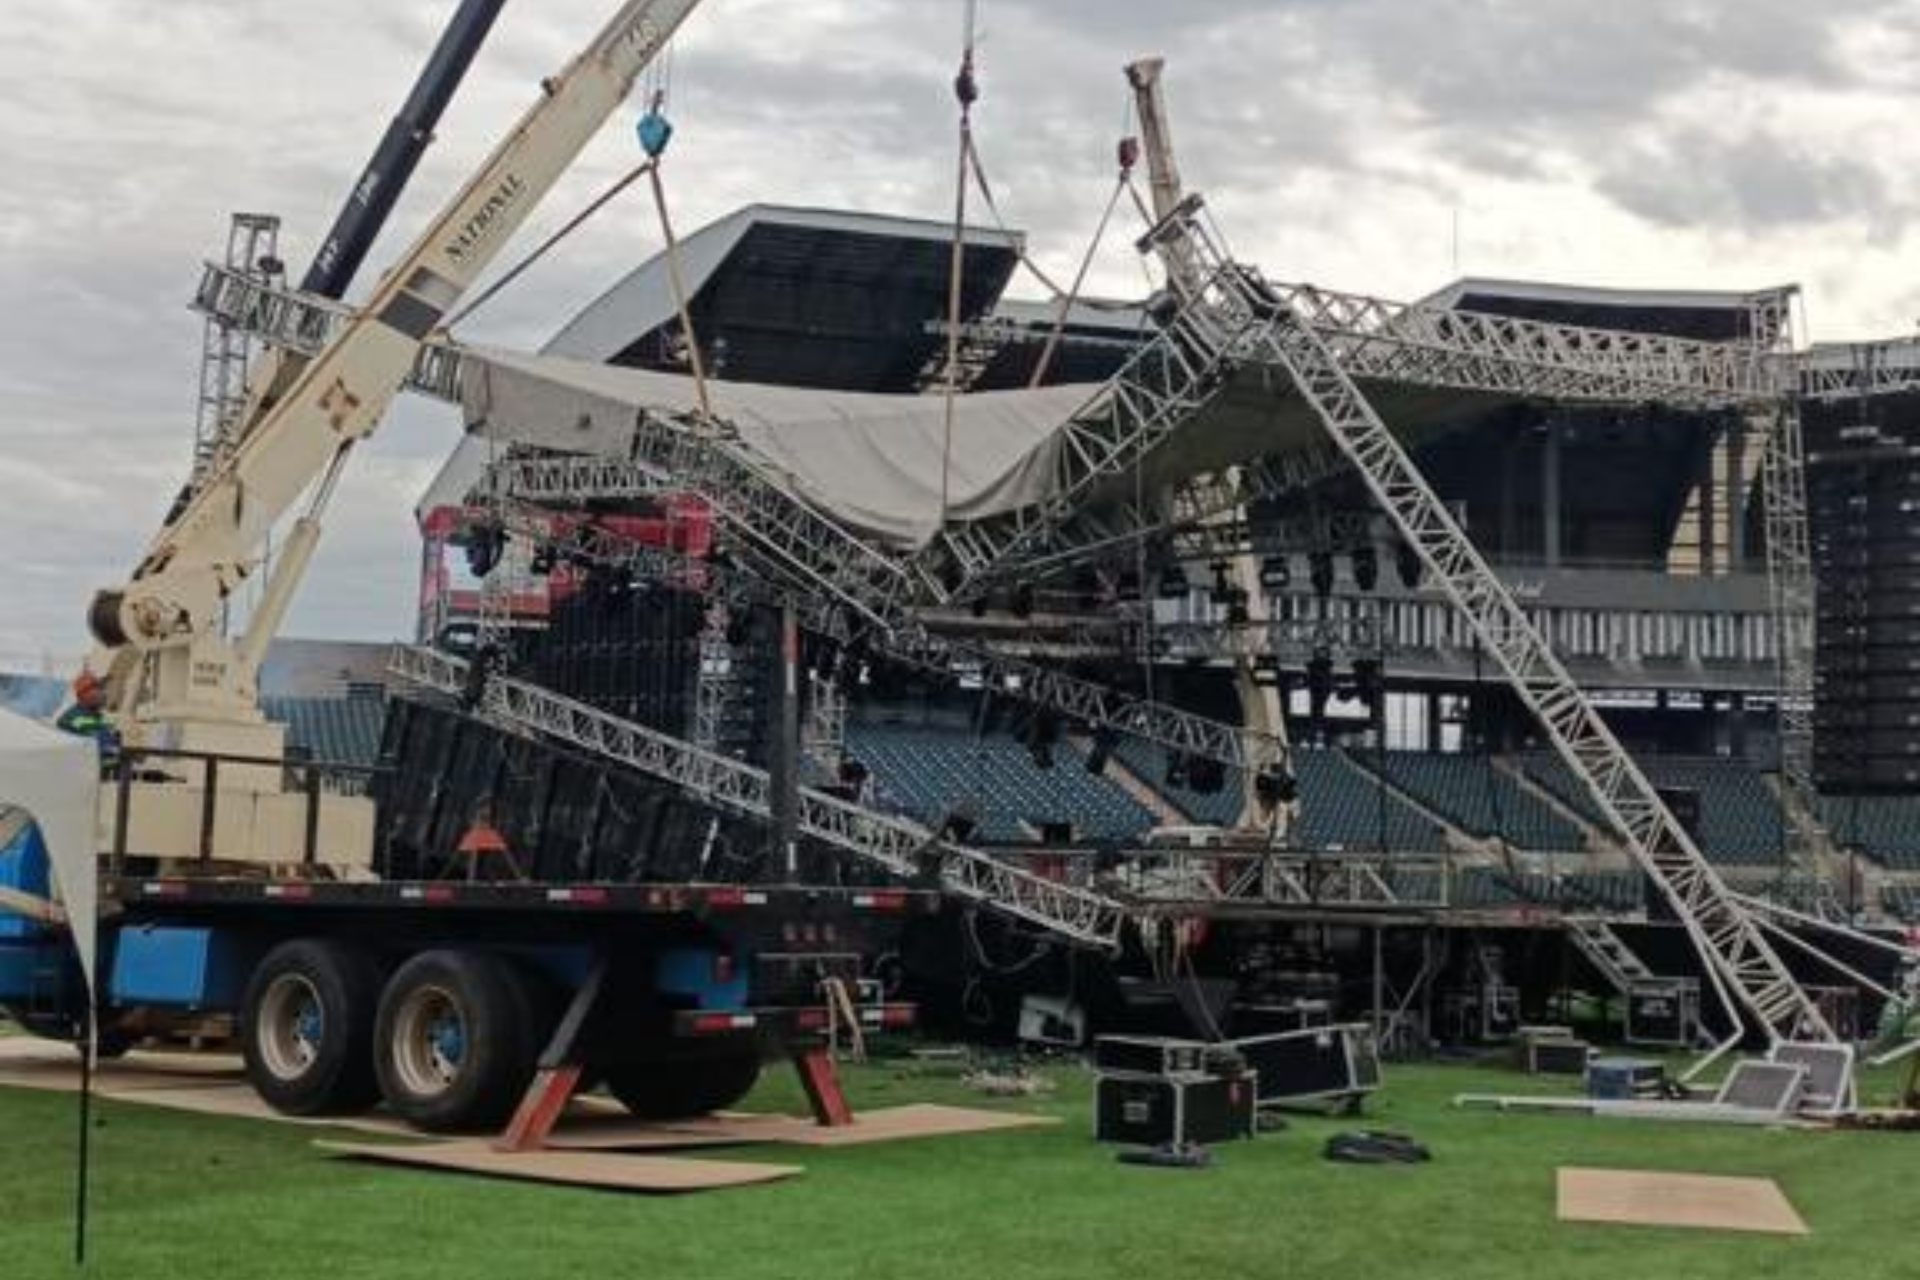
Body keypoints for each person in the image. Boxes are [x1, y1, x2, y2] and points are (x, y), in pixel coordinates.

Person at [55, 672, 120, 773]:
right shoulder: (69, 719)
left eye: (102, 689)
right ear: (83, 694)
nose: (103, 693)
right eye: (98, 689)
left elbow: (112, 742)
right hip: (83, 774)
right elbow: (92, 746)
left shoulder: (100, 718)